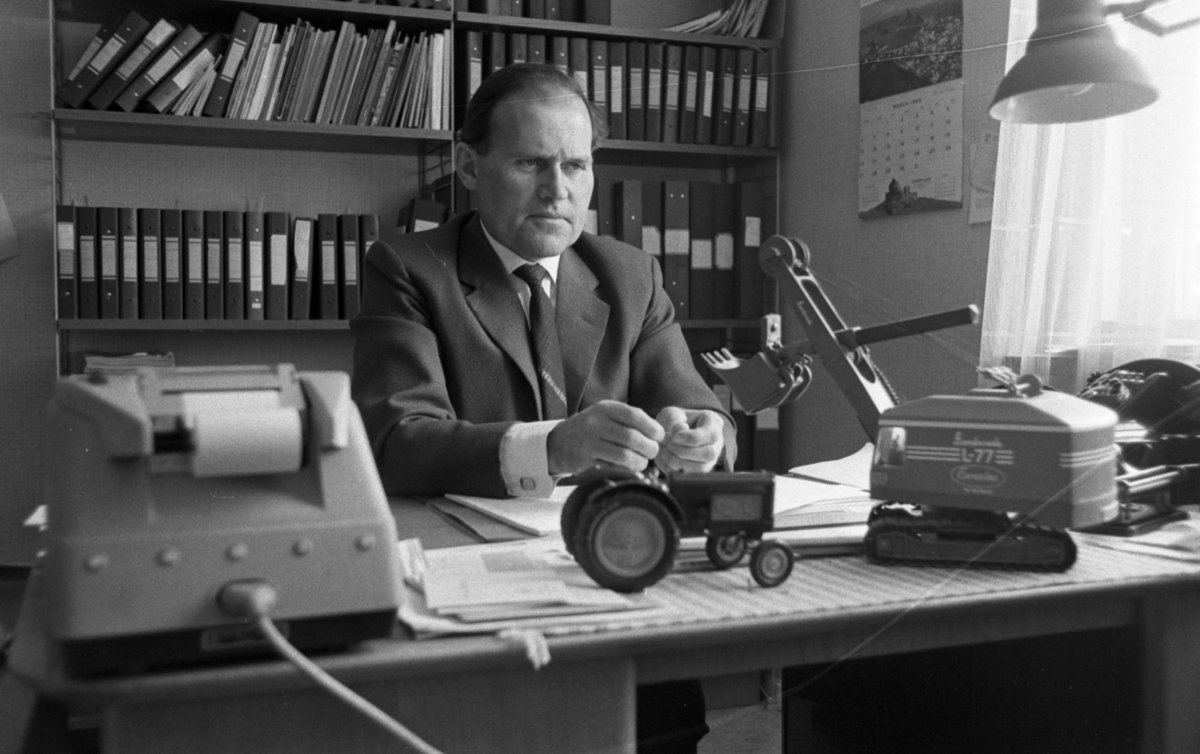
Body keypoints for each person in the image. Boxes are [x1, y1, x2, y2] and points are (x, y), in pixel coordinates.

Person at [351, 63, 735, 753]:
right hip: (478, 596)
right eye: (531, 163)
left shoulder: (630, 274)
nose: (559, 190)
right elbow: (397, 441)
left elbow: (701, 412)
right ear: (469, 166)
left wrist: (703, 436)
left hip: (618, 571)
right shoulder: (409, 268)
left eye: (576, 165)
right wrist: (552, 447)